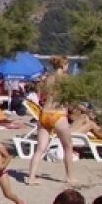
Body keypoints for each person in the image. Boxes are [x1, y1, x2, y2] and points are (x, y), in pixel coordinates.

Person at [26, 55, 76, 186]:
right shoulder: (65, 79)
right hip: (58, 114)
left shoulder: (48, 78)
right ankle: (70, 177)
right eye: (67, 65)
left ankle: (31, 177)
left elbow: (42, 93)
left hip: (45, 113)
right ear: (64, 65)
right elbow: (71, 98)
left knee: (40, 148)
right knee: (68, 146)